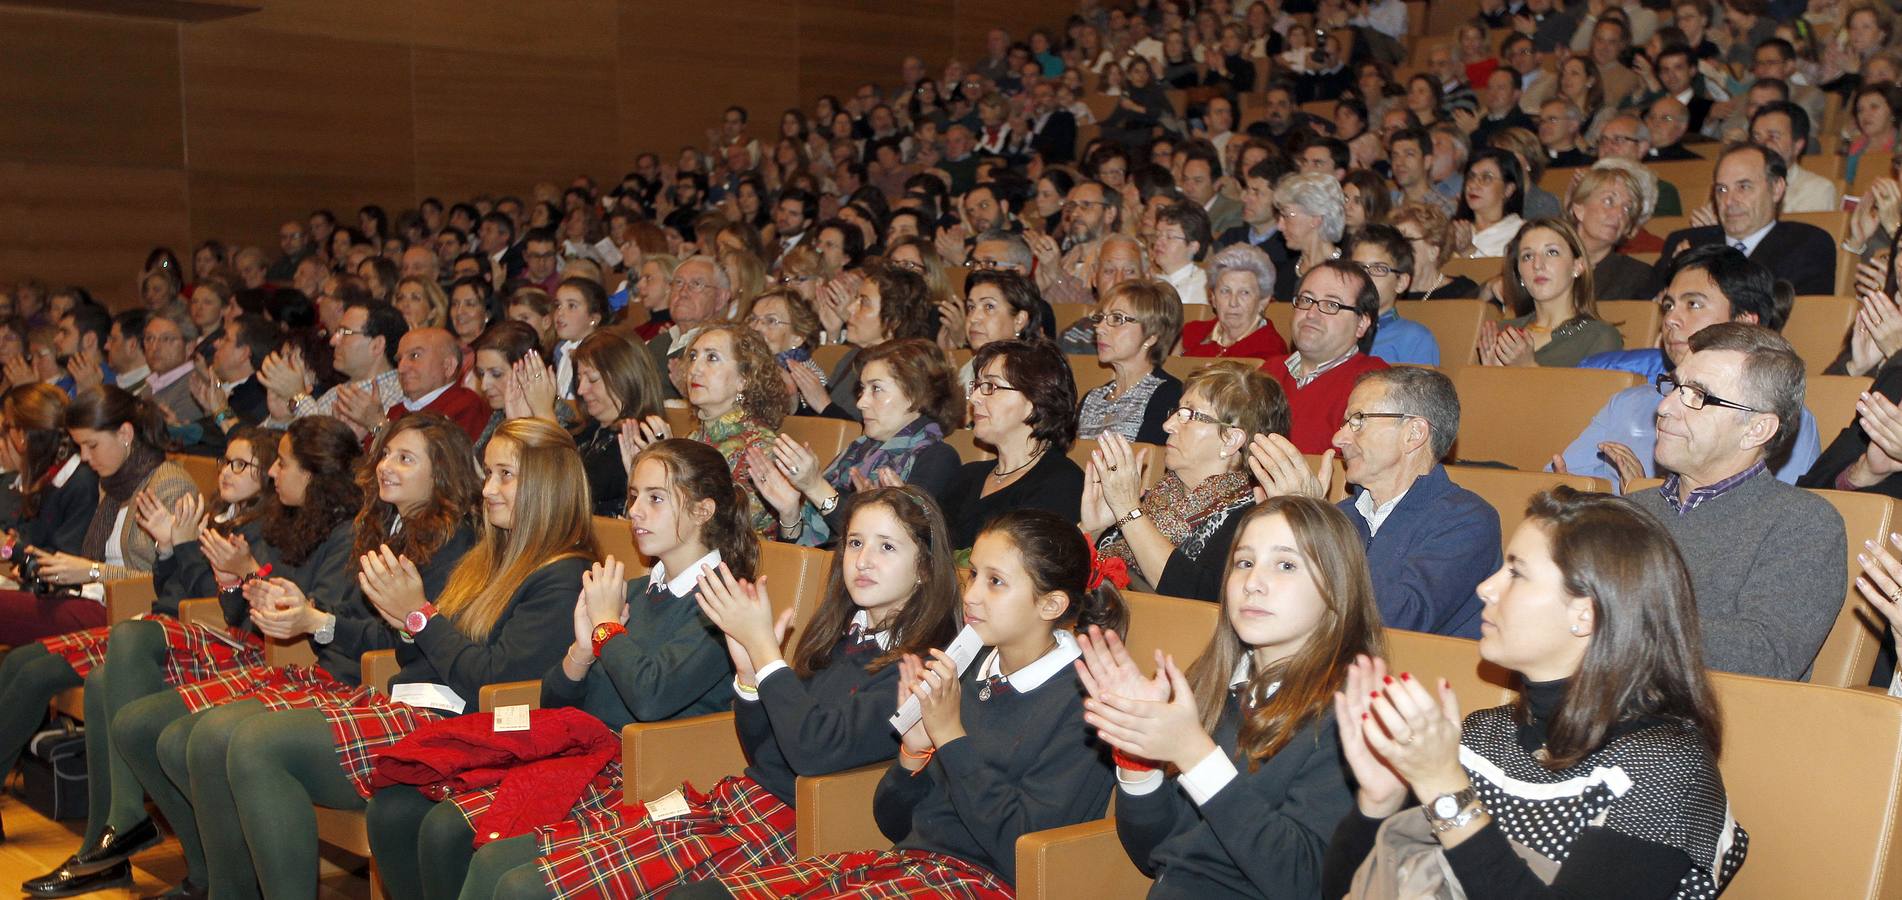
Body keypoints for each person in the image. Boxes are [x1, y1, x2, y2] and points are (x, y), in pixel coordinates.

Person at [462, 486, 963, 899]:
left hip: (793, 823)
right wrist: (749, 679)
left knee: (523, 888)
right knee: (500, 865)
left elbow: (814, 753)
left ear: (924, 567)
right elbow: (765, 747)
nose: (863, 561)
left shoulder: (919, 666)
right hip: (736, 799)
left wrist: (767, 654)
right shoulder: (839, 634)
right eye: (854, 543)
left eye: (887, 547)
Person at [184, 417, 591, 900]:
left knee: (257, 743)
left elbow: (492, 684)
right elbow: (412, 648)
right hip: (411, 702)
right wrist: (405, 619)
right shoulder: (490, 556)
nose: (489, 489)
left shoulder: (562, 575)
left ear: (547, 485)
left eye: (506, 475)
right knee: (221, 733)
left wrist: (416, 616)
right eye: (489, 473)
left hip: (465, 727)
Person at [364, 438, 765, 899]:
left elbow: (651, 698)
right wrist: (580, 652)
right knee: (404, 808)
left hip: (647, 772)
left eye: (655, 498)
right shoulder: (630, 590)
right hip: (580, 754)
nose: (635, 511)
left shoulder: (724, 602)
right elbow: (554, 704)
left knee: (476, 850)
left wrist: (608, 629)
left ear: (703, 511)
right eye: (633, 496)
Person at [671, 507, 1124, 899]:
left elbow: (1023, 850)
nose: (970, 596)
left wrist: (950, 737)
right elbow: (892, 820)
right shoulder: (967, 663)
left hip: (980, 884)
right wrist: (912, 754)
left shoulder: (1088, 703)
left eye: (996, 582)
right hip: (910, 865)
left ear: (1051, 605)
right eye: (974, 577)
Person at [1323, 487, 1748, 899]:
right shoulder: (1483, 737)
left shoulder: (1666, 766)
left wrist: (1445, 789)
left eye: (1516, 573)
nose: (1487, 588)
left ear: (1585, 613)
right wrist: (1379, 801)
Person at [26, 417, 387, 899]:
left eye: (281, 464)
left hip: (287, 660)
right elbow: (233, 606)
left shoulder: (343, 534)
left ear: (314, 472)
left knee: (133, 652)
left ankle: (193, 869)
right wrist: (221, 571)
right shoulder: (279, 517)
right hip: (256, 644)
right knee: (120, 692)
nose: (275, 475)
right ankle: (183, 862)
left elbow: (309, 622)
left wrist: (239, 571)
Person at [1079, 495, 1381, 898]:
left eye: (1286, 564)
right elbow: (1154, 854)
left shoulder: (1351, 715)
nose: (1253, 582)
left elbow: (1306, 882)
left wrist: (1196, 755)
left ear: (1336, 589)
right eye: (1244, 562)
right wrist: (1137, 754)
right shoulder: (1216, 685)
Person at [0, 428, 273, 857]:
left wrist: (177, 547)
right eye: (225, 461)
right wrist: (170, 549)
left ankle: (119, 828)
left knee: (74, 675)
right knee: (30, 664)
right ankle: (106, 835)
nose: (226, 472)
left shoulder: (254, 528)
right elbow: (174, 588)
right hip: (161, 622)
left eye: (242, 465)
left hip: (202, 636)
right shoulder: (212, 515)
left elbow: (213, 605)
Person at [1633, 323, 1847, 680]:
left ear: (1756, 429)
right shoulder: (1628, 512)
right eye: (1673, 386)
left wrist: (1626, 620)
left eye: (1697, 396)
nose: (1665, 407)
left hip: (1704, 727)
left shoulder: (1802, 524)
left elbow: (1766, 656)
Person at [1566, 246, 1823, 484]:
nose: (1671, 319)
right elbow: (1562, 486)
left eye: (1693, 304)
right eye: (1668, 306)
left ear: (1744, 322)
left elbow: (1768, 520)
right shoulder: (1626, 405)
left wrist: (1643, 498)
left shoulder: (1775, 420)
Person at [0, 388, 196, 646]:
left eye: (91, 445)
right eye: (79, 446)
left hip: (128, 610)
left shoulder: (168, 485)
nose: (84, 456)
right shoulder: (112, 481)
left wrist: (91, 571)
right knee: (22, 668)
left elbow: (164, 580)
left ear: (125, 434)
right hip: (91, 595)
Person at [1085, 361, 1287, 600]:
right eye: (1176, 412)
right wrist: (1092, 529)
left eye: (1188, 416)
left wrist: (1129, 511)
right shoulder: (1149, 499)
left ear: (1231, 440)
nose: (1167, 425)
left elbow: (1195, 598)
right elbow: (1054, 580)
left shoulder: (1248, 522)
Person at [751, 339, 963, 547]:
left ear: (916, 395)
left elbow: (898, 544)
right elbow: (799, 554)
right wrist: (789, 513)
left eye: (876, 389)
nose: (861, 403)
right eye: (862, 389)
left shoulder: (938, 458)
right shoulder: (857, 451)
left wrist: (816, 487)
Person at [941, 339, 1084, 549]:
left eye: (990, 386)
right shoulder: (966, 476)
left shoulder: (1061, 483)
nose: (974, 398)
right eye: (978, 385)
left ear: (1035, 402)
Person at [1652, 142, 1837, 296]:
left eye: (1743, 187)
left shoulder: (1807, 244)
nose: (1729, 201)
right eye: (1721, 189)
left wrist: (1698, 280)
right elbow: (1644, 311)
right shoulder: (1687, 243)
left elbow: (1790, 315)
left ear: (1777, 189)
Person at [1272, 261, 1391, 454]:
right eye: (1306, 300)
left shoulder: (1375, 384)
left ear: (1361, 323)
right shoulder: (1269, 372)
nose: (1311, 313)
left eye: (1331, 304)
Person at [681, 323, 789, 534]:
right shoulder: (691, 439)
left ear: (743, 379)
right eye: (693, 357)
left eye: (711, 358)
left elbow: (731, 529)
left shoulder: (760, 449)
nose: (694, 369)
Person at [1078, 280, 1185, 445]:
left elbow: (1148, 465)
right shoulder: (1092, 398)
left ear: (1152, 336)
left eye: (1117, 318)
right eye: (1100, 318)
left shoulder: (1169, 395)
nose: (1099, 328)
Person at [0, 383, 98, 558]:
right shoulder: (43, 475)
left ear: (22, 435)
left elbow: (63, 559)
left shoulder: (81, 481)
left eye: (8, 427)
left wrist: (8, 547)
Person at [1568, 164, 1666, 301]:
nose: (1619, 213)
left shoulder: (1638, 277)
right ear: (1579, 209)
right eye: (1608, 201)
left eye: (1627, 208)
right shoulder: (1548, 262)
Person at [1348, 225, 1441, 366]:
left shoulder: (1414, 339)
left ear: (1401, 282)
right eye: (1358, 268)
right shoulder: (1334, 328)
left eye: (1378, 269)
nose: (1365, 277)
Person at [1180, 244, 1287, 360]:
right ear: (1214, 298)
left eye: (1244, 292)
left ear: (1263, 301)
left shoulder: (1269, 349)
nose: (1233, 302)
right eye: (1225, 291)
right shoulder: (1190, 333)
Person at [1273, 174, 1349, 301]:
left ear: (1315, 218)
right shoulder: (1284, 274)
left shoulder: (1348, 274)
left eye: (1286, 215)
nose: (1279, 226)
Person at [1393, 202, 1482, 300]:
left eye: (1406, 241)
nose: (1396, 249)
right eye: (1392, 241)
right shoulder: (1387, 294)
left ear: (1433, 252)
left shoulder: (1464, 291)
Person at [1451, 147, 1527, 258]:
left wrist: (1469, 251)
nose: (1473, 185)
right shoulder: (1453, 229)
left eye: (1486, 178)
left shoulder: (1520, 232)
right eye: (1471, 177)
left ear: (1508, 189)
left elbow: (1506, 274)